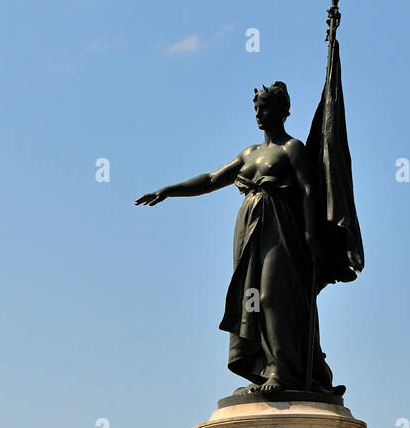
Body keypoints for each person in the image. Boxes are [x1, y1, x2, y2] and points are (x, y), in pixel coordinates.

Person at [136, 82, 336, 394]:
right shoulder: (249, 153)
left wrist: (311, 234)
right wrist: (169, 190)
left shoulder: (292, 148)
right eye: (256, 108)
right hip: (249, 229)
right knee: (251, 296)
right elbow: (212, 180)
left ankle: (283, 370)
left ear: (284, 111)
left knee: (273, 294)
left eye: (266, 108)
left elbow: (310, 191)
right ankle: (264, 368)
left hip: (281, 229)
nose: (259, 113)